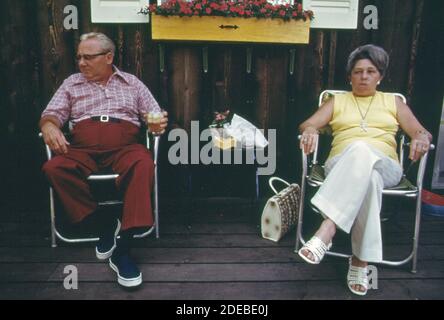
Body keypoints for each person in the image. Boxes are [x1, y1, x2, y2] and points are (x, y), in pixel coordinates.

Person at [297, 44, 432, 296]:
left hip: (388, 166)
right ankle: (360, 262)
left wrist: (421, 138)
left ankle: (328, 228)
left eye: (371, 71)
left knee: (364, 151)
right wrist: (311, 130)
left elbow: (419, 130)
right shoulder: (337, 101)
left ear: (380, 76)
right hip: (342, 165)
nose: (364, 77)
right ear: (349, 76)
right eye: (358, 71)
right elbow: (308, 123)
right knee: (368, 174)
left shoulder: (393, 103)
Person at [40, 32, 168, 288]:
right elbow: (51, 114)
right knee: (55, 167)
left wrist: (157, 124)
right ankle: (104, 222)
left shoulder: (132, 83)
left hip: (125, 146)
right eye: (79, 57)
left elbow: (154, 115)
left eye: (88, 57)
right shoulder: (71, 84)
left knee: (144, 164)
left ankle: (124, 249)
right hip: (82, 148)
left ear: (108, 57)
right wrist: (49, 125)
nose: (81, 63)